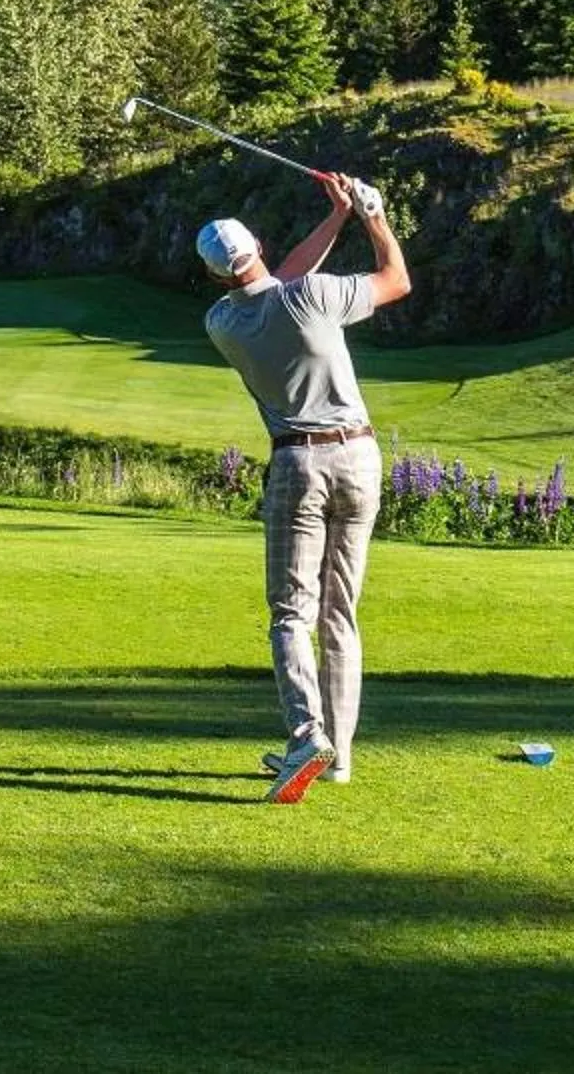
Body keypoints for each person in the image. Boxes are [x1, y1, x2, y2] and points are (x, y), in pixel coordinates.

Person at [199, 169, 410, 804]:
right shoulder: (314, 295)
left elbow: (270, 283)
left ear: (215, 274)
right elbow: (396, 280)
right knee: (339, 613)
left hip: (297, 465)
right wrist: (371, 215)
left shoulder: (222, 323)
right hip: (361, 457)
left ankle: (306, 738)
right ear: (257, 244)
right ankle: (337, 757)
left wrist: (338, 216)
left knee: (292, 612)